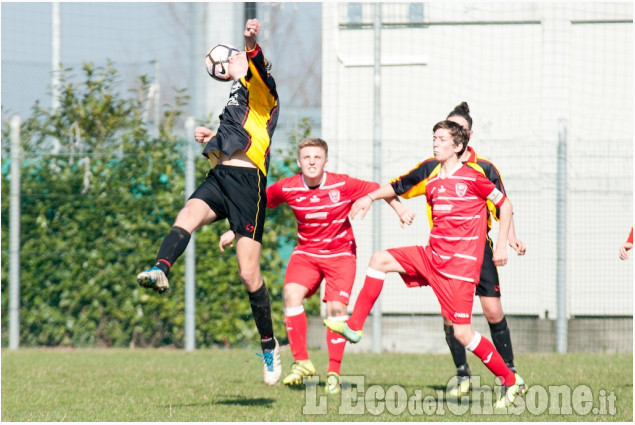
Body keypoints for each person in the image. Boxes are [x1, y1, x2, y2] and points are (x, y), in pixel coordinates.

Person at [324, 120, 527, 409]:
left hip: (459, 268)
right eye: (434, 137)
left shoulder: (474, 177)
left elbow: (504, 205)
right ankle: (355, 327)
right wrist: (378, 201)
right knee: (379, 260)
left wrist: (504, 244)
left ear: (457, 146)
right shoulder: (432, 182)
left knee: (462, 333)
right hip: (432, 257)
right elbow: (397, 187)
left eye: (442, 139)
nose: (435, 142)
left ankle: (510, 380)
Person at [136, 19, 282, 386]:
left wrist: (249, 41)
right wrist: (214, 135)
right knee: (188, 213)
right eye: (226, 60)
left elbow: (254, 62)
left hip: (249, 183)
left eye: (232, 59)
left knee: (249, 274)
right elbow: (237, 130)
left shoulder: (262, 87)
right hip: (221, 177)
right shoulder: (237, 95)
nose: (227, 64)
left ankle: (269, 344)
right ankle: (160, 268)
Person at [219, 137, 410, 394]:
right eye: (306, 157)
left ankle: (333, 372)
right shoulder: (287, 187)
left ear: (325, 161)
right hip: (306, 254)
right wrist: (235, 230)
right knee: (290, 294)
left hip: (341, 255)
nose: (311, 162)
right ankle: (302, 363)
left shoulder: (342, 183)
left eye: (317, 157)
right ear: (299, 162)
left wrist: (399, 210)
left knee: (336, 308)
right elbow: (258, 204)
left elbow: (380, 189)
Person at [404, 102, 526, 398]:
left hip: (477, 249)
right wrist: (388, 201)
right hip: (445, 253)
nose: (447, 136)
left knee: (492, 310)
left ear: (466, 135)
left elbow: (502, 206)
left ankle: (508, 372)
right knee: (452, 319)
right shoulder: (433, 168)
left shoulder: (482, 168)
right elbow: (403, 185)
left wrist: (509, 238)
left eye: (457, 129)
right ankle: (463, 375)